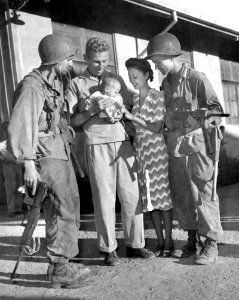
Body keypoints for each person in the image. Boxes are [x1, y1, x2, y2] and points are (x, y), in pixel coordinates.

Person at [6, 34, 92, 288]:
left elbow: (52, 116)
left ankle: (63, 261)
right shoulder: (32, 86)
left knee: (69, 206)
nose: (71, 64)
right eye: (68, 59)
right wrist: (29, 165)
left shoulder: (53, 80)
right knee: (60, 209)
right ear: (56, 60)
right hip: (45, 156)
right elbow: (21, 126)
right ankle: (59, 268)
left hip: (59, 151)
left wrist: (64, 127)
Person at [67, 37, 155, 266]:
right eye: (96, 62)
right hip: (97, 145)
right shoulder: (76, 84)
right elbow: (72, 122)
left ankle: (136, 245)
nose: (101, 66)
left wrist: (123, 116)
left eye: (105, 61)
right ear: (86, 58)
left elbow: (128, 109)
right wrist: (91, 111)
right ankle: (108, 249)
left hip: (122, 143)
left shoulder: (115, 80)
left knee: (132, 196)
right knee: (104, 199)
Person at [146, 32, 224, 265]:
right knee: (181, 196)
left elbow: (216, 111)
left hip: (197, 147)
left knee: (203, 194)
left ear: (170, 56)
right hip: (175, 148)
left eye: (157, 61)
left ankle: (211, 242)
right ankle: (192, 238)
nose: (156, 65)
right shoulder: (166, 83)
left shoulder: (196, 78)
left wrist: (200, 124)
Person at [124, 58, 174, 257]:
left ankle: (169, 241)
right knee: (149, 200)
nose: (132, 81)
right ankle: (160, 241)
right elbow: (135, 130)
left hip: (157, 152)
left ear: (146, 75)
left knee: (163, 198)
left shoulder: (158, 96)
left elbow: (155, 127)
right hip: (141, 152)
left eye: (135, 77)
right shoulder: (134, 100)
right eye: (129, 77)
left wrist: (132, 118)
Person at [0, 121, 24, 217]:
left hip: (17, 164)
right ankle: (11, 209)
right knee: (10, 187)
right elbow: (2, 153)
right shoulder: (2, 140)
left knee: (19, 186)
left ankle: (18, 207)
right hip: (8, 165)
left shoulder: (15, 138)